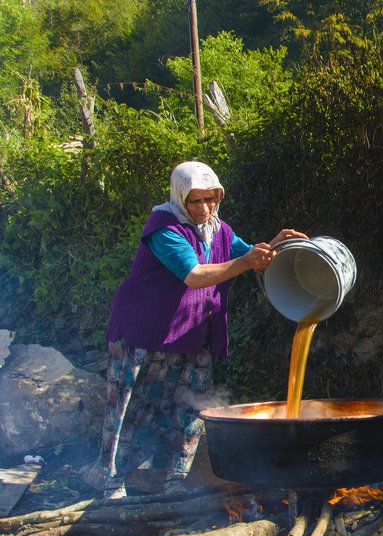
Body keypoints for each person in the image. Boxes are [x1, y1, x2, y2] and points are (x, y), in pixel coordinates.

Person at [97, 161, 307, 499]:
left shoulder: (218, 229)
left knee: (191, 406)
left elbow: (248, 256)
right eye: (196, 200)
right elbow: (194, 275)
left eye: (212, 199)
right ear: (181, 197)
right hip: (144, 334)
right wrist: (247, 261)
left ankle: (174, 481)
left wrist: (276, 247)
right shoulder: (164, 227)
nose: (205, 207)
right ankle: (112, 482)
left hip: (191, 334)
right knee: (133, 404)